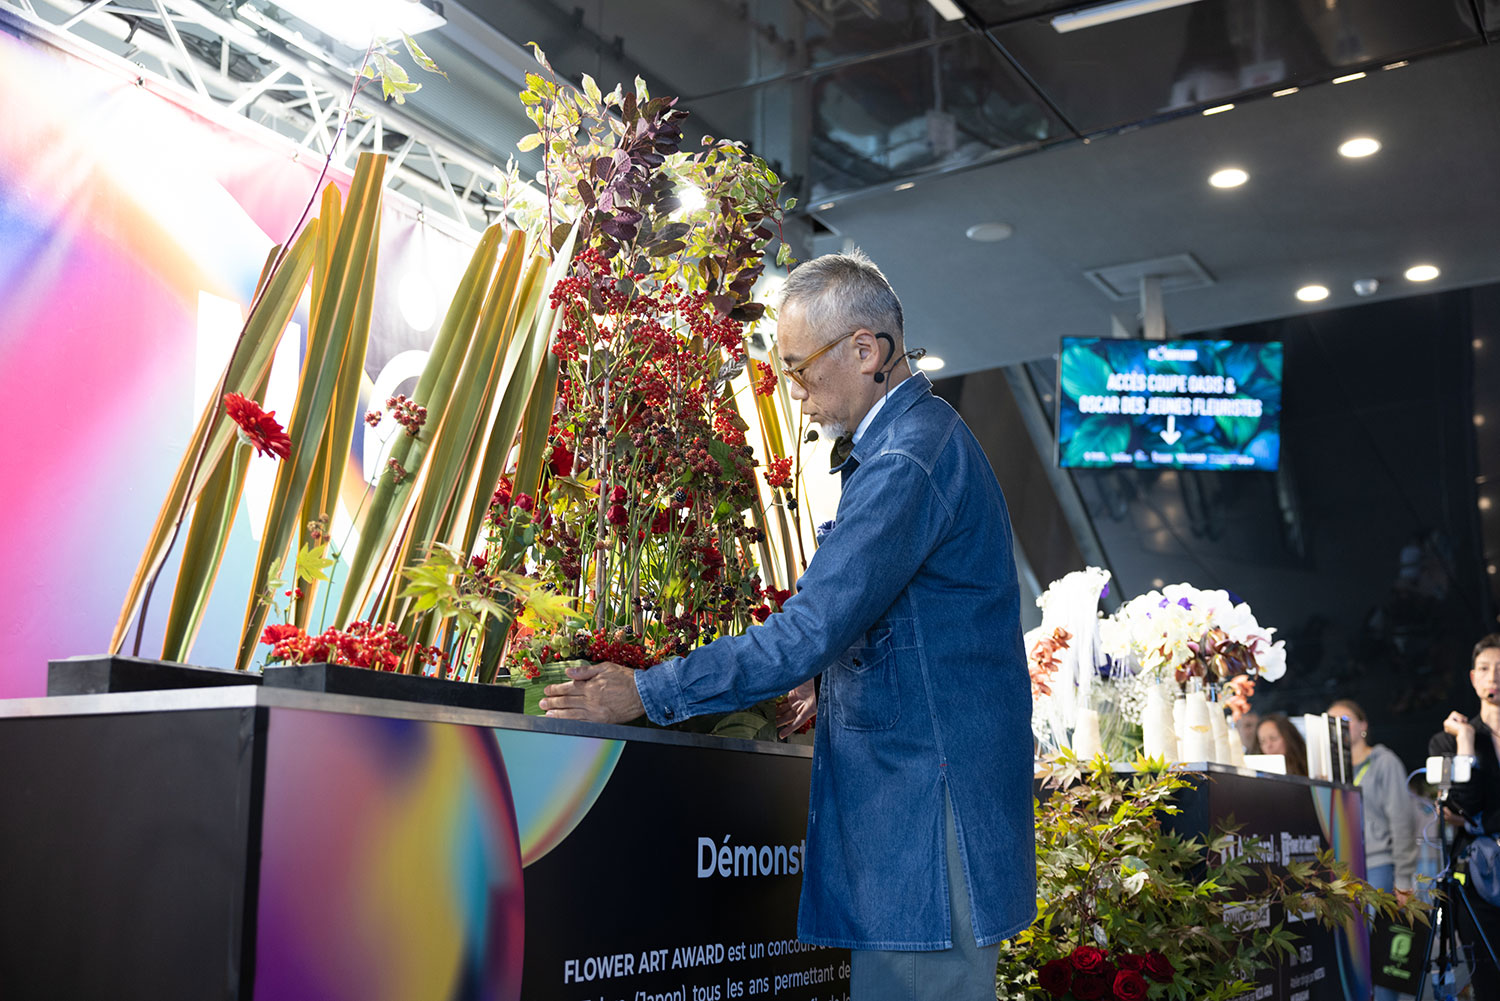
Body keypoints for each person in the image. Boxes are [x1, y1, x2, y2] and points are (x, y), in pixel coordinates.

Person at [539, 250, 1035, 999]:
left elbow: (807, 628)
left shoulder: (907, 460)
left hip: (926, 822)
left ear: (868, 350)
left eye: (798, 367)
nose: (788, 389)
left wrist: (648, 690)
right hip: (922, 810)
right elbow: (890, 626)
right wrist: (828, 673)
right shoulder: (914, 443)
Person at [1328, 698, 1420, 1001]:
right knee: (1351, 960)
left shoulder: (1384, 761)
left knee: (1382, 955)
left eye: (1346, 721)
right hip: (1340, 872)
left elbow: (1402, 820)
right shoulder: (1329, 770)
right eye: (1332, 723)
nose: (1339, 729)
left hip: (1377, 867)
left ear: (1363, 725)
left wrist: (1403, 877)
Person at [1428, 634, 1500, 997]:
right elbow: (1462, 805)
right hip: (1480, 873)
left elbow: (1468, 815)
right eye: (1485, 670)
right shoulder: (1449, 741)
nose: (1494, 678)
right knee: (1487, 976)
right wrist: (1467, 739)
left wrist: (1476, 819)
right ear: (1473, 678)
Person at [1256, 712, 1308, 776]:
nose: (1268, 745)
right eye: (1262, 741)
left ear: (1289, 738)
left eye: (1273, 738)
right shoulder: (1258, 775)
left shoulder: (1310, 769)